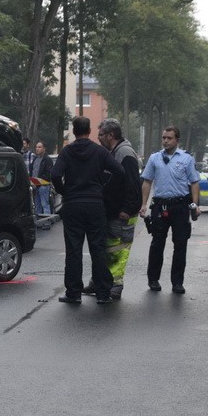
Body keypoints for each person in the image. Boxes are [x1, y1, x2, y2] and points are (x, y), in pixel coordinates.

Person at [51, 116, 124, 304]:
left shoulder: (67, 152)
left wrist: (64, 191)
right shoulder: (99, 151)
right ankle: (102, 292)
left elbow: (55, 174)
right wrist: (102, 186)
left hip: (73, 204)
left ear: (74, 131)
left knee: (74, 249)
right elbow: (120, 171)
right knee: (98, 248)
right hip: (95, 205)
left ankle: (74, 292)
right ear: (89, 131)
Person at [81, 118, 142, 300]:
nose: (98, 138)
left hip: (122, 214)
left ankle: (116, 285)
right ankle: (99, 281)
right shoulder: (114, 152)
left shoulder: (125, 154)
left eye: (100, 135)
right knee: (104, 249)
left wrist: (127, 209)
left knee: (117, 251)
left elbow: (133, 185)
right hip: (111, 211)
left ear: (111, 135)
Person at [139, 126, 202, 294]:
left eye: (169, 138)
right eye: (163, 138)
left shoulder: (187, 159)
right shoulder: (154, 158)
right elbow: (147, 181)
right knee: (157, 244)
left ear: (177, 140)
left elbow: (194, 182)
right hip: (160, 205)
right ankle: (153, 279)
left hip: (180, 206)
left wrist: (195, 205)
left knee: (180, 244)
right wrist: (143, 204)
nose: (165, 141)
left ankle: (177, 282)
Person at [30, 140, 54, 215]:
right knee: (37, 206)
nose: (37, 149)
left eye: (39, 147)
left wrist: (37, 181)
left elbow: (48, 175)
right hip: (35, 186)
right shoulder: (35, 159)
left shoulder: (47, 160)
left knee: (45, 205)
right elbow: (32, 172)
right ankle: (39, 223)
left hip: (43, 186)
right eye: (36, 147)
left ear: (44, 148)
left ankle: (47, 222)